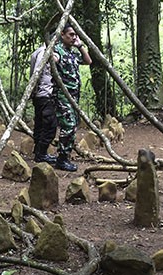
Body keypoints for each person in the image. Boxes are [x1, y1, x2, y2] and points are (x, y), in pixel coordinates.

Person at [50, 24, 92, 171]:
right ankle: (61, 159)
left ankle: (65, 156)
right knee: (67, 125)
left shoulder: (72, 52)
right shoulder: (58, 50)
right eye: (71, 34)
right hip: (62, 95)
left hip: (74, 96)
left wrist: (80, 45)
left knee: (73, 126)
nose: (73, 37)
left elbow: (88, 61)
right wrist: (52, 57)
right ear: (62, 35)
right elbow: (53, 59)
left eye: (75, 35)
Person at [29, 38, 58, 164]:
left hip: (40, 94)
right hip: (44, 94)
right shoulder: (43, 53)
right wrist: (35, 91)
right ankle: (41, 153)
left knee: (40, 123)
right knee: (49, 124)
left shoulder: (39, 52)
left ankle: (38, 151)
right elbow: (36, 72)